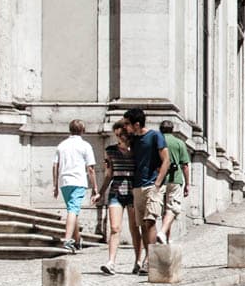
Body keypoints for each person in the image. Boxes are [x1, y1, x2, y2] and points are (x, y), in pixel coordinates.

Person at [122, 106, 170, 269]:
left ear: (136, 124)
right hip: (137, 186)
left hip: (152, 185)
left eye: (127, 124)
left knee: (150, 221)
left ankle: (150, 259)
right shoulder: (134, 140)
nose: (125, 127)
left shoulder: (156, 136)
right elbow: (132, 157)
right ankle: (149, 257)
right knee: (142, 224)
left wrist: (158, 182)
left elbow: (166, 160)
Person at [100, 121, 141, 275]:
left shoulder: (137, 150)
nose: (119, 138)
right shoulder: (110, 151)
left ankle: (138, 260)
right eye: (116, 135)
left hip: (133, 191)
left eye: (121, 134)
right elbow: (109, 174)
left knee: (134, 228)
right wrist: (100, 192)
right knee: (115, 228)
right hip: (116, 190)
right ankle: (111, 262)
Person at [53, 119, 98, 252]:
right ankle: (68, 240)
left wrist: (55, 185)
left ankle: (77, 240)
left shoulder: (61, 145)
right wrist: (95, 187)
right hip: (78, 181)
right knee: (73, 210)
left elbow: (55, 165)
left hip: (64, 181)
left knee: (73, 210)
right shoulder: (85, 146)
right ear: (83, 131)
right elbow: (90, 168)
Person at [158, 119, 191, 245]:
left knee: (163, 211)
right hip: (174, 178)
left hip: (159, 179)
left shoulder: (157, 141)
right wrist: (187, 184)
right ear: (173, 130)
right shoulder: (179, 143)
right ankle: (162, 233)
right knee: (172, 208)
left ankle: (165, 237)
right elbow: (185, 165)